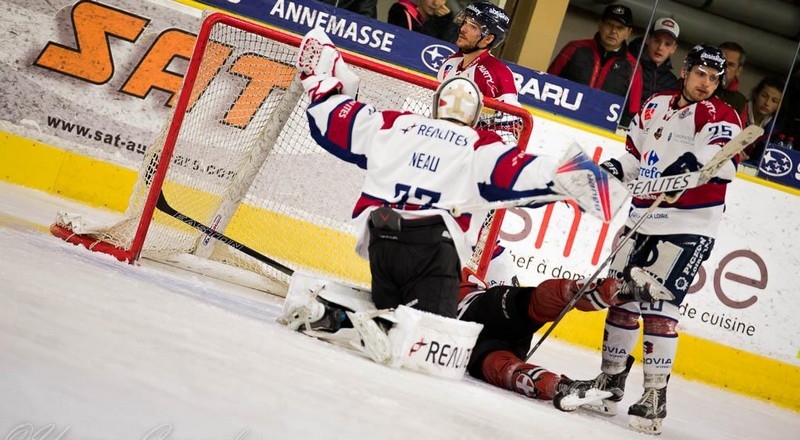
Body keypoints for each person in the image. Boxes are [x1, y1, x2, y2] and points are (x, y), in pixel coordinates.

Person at [296, 28, 621, 319]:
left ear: (438, 105)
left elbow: (338, 124)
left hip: (381, 243)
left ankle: (341, 317)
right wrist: (595, 185)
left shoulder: (397, 124)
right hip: (432, 250)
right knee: (425, 334)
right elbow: (526, 174)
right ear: (475, 113)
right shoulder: (480, 144)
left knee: (390, 315)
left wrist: (322, 85)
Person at [571, 44, 743, 435]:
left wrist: (690, 170)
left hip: (688, 223)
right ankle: (610, 382)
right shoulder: (655, 105)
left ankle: (654, 396)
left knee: (659, 304)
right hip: (641, 218)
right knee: (621, 297)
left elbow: (719, 164)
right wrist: (611, 171)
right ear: (685, 71)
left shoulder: (719, 114)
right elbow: (635, 157)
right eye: (701, 74)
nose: (706, 83)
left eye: (714, 78)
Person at [457, 274, 665, 411]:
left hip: (470, 313)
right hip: (470, 336)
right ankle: (561, 386)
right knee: (502, 364)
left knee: (526, 307)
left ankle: (560, 387)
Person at [436, 1, 519, 289]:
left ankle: (504, 291)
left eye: (473, 26)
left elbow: (511, 128)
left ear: (488, 39)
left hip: (474, 166)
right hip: (447, 161)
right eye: (465, 22)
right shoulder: (449, 64)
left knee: (474, 237)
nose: (463, 28)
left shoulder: (497, 74)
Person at [548, 4, 643, 126]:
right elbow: (548, 84)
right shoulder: (574, 48)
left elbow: (631, 114)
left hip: (600, 134)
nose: (613, 31)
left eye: (620, 28)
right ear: (600, 24)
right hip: (560, 122)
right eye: (609, 24)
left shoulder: (634, 68)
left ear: (628, 33)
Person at [628, 17, 680, 107]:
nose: (660, 47)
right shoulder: (627, 64)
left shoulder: (672, 83)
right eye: (657, 41)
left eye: (667, 44)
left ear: (674, 49)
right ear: (648, 39)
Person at [739, 76, 785, 165]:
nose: (767, 103)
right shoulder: (737, 111)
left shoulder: (774, 130)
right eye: (764, 96)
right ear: (756, 94)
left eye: (774, 101)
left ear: (779, 106)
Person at [387, 0, 458, 42]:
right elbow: (412, 44)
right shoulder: (401, 11)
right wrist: (438, 22)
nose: (435, 3)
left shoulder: (447, 20)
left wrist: (448, 22)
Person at [717, 41, 748, 112]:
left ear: (738, 71)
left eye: (730, 65)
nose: (724, 67)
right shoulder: (700, 85)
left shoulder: (740, 102)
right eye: (722, 61)